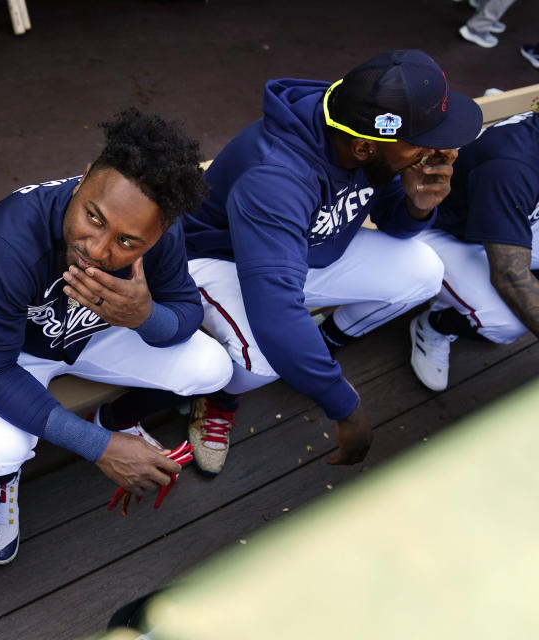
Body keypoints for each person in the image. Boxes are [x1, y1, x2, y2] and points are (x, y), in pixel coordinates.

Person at [0, 107, 233, 565]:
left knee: (212, 366)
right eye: (94, 218)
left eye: (127, 242)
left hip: (93, 337)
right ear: (81, 181)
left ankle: (113, 420)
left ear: (155, 235)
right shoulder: (7, 241)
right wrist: (99, 450)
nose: (97, 250)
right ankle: (4, 483)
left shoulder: (162, 231)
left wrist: (143, 315)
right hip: (8, 352)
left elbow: (184, 311)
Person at [181, 50, 483, 476]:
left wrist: (417, 205)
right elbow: (276, 311)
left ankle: (323, 347)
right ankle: (219, 398)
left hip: (302, 248)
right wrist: (346, 409)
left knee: (423, 271)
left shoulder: (370, 125)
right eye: (424, 140)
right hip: (219, 258)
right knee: (265, 359)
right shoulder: (276, 176)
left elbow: (394, 220)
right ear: (362, 147)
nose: (437, 148)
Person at [409, 109, 539, 391]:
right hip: (442, 232)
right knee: (508, 323)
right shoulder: (512, 164)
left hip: (509, 220)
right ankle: (436, 323)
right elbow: (509, 277)